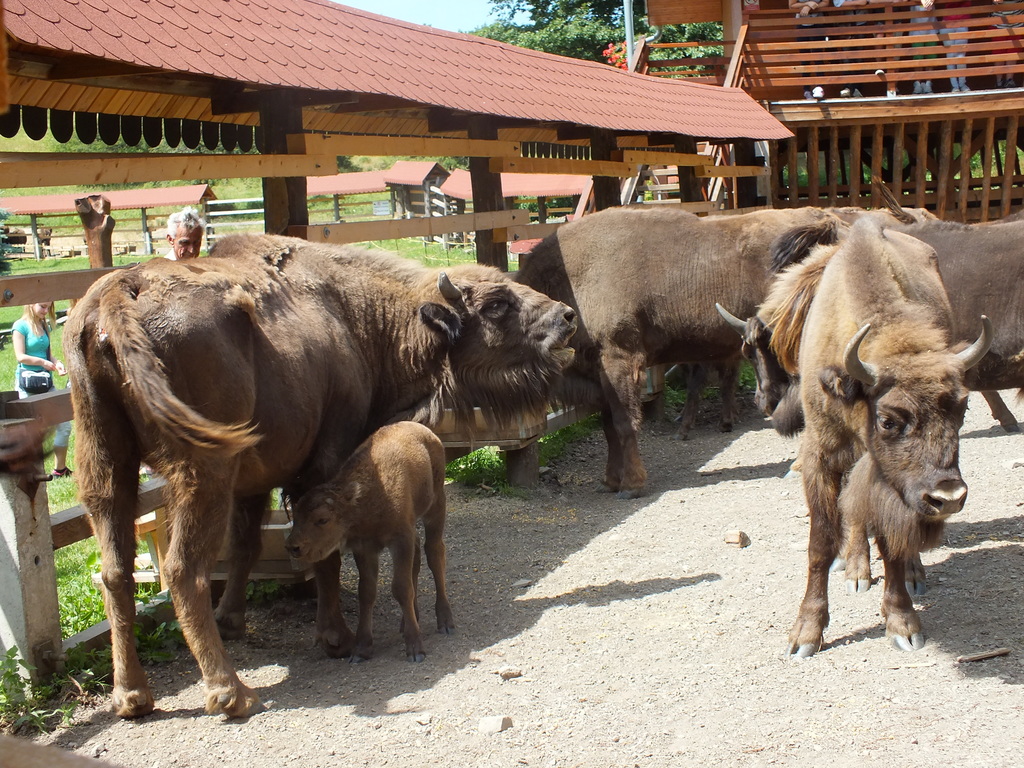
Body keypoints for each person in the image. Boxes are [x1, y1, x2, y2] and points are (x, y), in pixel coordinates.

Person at [12, 301, 73, 479]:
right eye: (43, 307)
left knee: (64, 425)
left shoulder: (43, 324)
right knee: (30, 430)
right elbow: (20, 356)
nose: (46, 311)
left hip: (46, 382)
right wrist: (42, 363)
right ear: (31, 304)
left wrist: (56, 363)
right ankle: (28, 472)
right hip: (27, 385)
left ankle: (60, 469)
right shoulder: (20, 326)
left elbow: (48, 354)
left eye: (49, 308)